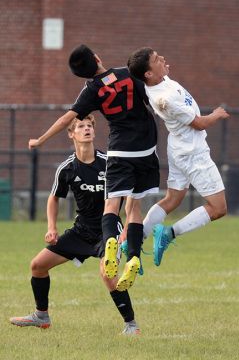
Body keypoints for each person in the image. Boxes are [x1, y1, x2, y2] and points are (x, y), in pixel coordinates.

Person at [28, 45, 160, 291]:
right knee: (134, 206)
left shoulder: (92, 89)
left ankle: (110, 240)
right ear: (98, 58)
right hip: (144, 150)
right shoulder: (127, 73)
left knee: (111, 205)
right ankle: (133, 257)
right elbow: (155, 99)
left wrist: (41, 140)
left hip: (119, 151)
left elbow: (66, 118)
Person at [10, 115, 140, 335]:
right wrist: (51, 227)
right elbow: (53, 198)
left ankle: (131, 325)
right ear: (71, 134)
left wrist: (128, 227)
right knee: (38, 266)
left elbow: (130, 196)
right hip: (82, 230)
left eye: (90, 126)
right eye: (81, 126)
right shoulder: (67, 168)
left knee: (107, 273)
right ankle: (41, 315)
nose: (86, 129)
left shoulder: (109, 162)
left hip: (108, 230)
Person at [128, 47, 229, 266]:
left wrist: (161, 71)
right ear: (148, 74)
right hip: (193, 152)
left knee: (172, 199)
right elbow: (200, 123)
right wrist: (217, 114)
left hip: (178, 147)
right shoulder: (164, 98)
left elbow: (155, 76)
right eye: (156, 59)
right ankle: (169, 233)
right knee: (218, 208)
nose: (162, 58)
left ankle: (133, 241)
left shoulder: (157, 82)